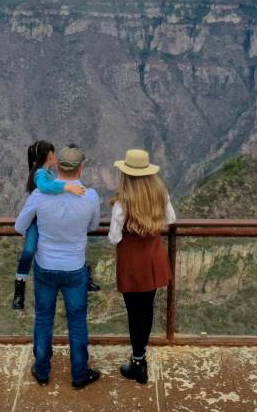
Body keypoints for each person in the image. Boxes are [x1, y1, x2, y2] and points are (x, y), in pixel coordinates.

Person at [15, 145, 102, 389]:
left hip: (45, 266)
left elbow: (20, 226)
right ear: (81, 167)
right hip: (75, 267)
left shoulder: (39, 195)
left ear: (57, 165)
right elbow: (93, 226)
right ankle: (79, 375)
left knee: (43, 318)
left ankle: (42, 371)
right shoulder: (90, 195)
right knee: (77, 321)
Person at [108, 148, 176, 385]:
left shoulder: (122, 203)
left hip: (131, 263)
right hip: (154, 258)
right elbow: (171, 220)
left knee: (134, 312)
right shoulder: (161, 193)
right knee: (147, 309)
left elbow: (114, 237)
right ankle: (141, 356)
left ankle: (138, 363)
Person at [12, 141, 100, 309]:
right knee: (29, 250)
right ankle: (19, 290)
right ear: (50, 156)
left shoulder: (47, 173)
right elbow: (45, 188)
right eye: (55, 153)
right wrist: (68, 186)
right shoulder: (40, 174)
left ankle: (87, 276)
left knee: (73, 236)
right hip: (37, 222)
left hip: (45, 221)